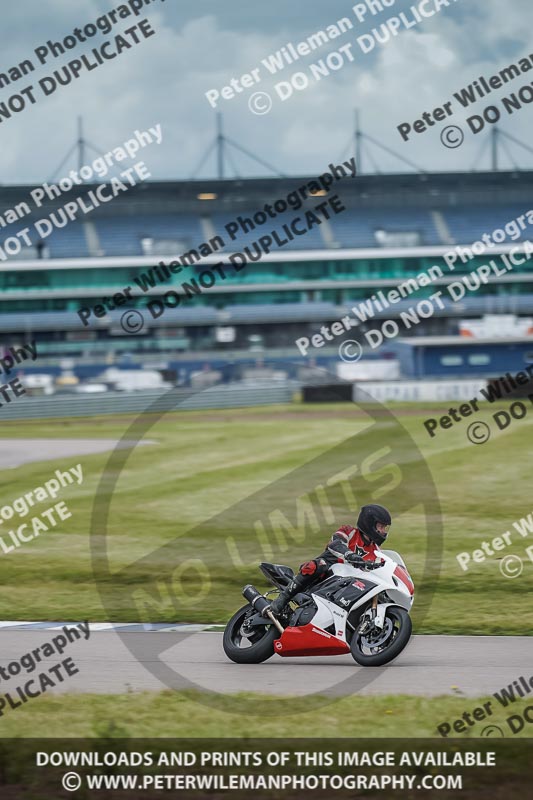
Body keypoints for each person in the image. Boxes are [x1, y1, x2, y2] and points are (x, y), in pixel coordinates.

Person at [265, 503, 392, 617]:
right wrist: (350, 555)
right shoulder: (349, 532)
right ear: (369, 523)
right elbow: (335, 544)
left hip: (346, 584)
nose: (383, 531)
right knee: (318, 565)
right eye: (380, 526)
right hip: (325, 575)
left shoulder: (376, 551)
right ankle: (282, 600)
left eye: (385, 528)